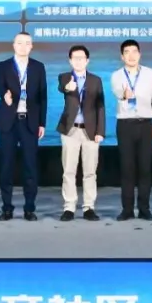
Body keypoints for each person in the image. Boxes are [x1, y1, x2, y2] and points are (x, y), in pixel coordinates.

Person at [0, 32, 47, 221]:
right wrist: (4, 95)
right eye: (20, 43)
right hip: (8, 121)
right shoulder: (3, 65)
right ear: (13, 45)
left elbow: (42, 96)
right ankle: (6, 208)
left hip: (29, 121)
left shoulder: (38, 67)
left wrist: (42, 123)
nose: (23, 46)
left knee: (30, 166)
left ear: (32, 46)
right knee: (6, 166)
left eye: (27, 43)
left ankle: (29, 208)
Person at [110, 39, 152, 221]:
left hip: (146, 124)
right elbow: (118, 92)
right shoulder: (116, 75)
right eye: (127, 52)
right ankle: (127, 209)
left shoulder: (149, 73)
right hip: (125, 125)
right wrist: (125, 95)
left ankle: (144, 209)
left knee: (145, 168)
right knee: (127, 168)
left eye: (134, 51)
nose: (131, 55)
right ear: (122, 56)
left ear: (139, 54)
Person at [56, 45, 105, 222]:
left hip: (90, 131)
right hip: (70, 130)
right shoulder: (64, 77)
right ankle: (69, 207)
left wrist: (100, 131)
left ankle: (89, 207)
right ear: (70, 61)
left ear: (87, 60)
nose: (78, 61)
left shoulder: (96, 80)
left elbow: (100, 106)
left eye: (81, 58)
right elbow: (63, 87)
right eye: (75, 58)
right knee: (68, 171)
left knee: (90, 172)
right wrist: (68, 87)